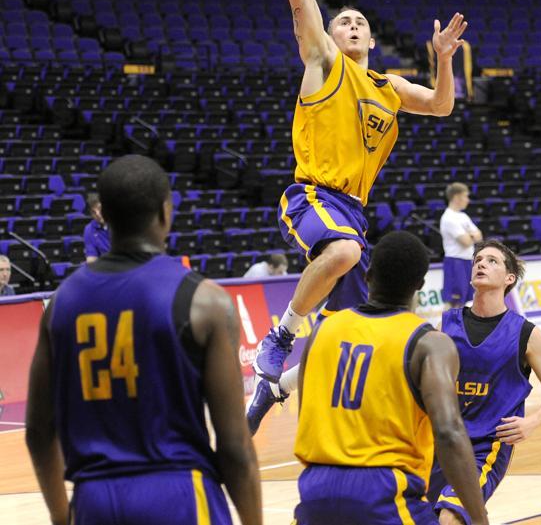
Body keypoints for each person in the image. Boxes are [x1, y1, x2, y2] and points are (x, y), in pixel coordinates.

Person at [248, 0, 469, 429]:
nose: (348, 24)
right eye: (341, 20)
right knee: (344, 253)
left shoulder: (390, 88)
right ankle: (278, 338)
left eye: (358, 22)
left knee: (353, 327)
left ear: (372, 40)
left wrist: (443, 61)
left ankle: (275, 390)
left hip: (353, 212)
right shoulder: (323, 65)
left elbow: (443, 106)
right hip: (312, 196)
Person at [25, 155, 262, 525]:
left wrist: (61, 516)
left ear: (105, 215)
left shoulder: (61, 304)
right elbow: (234, 446)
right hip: (179, 491)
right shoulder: (206, 300)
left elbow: (39, 431)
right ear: (165, 213)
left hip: (95, 499)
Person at [293, 231, 488, 525]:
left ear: (368, 276)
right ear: (420, 286)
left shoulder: (321, 331)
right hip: (384, 493)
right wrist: (478, 518)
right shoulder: (428, 342)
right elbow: (448, 431)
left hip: (314, 490)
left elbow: (305, 413)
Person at [428, 240, 541, 524]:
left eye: (492, 261)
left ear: (509, 278)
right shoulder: (446, 323)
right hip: (441, 440)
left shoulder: (526, 333)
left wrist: (532, 422)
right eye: (478, 259)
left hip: (486, 445)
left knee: (450, 517)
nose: (481, 263)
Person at [440, 183, 482, 306]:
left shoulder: (463, 216)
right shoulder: (448, 218)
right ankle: (447, 325)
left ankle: (460, 325)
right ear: (457, 197)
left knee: (465, 300)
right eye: (466, 196)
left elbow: (479, 236)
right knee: (454, 301)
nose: (468, 200)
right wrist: (472, 235)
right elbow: (466, 242)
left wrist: (471, 236)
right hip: (455, 262)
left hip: (467, 261)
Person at [83, 192, 110, 262]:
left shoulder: (121, 222)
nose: (97, 214)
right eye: (93, 212)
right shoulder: (89, 229)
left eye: (99, 208)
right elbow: (91, 260)